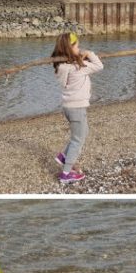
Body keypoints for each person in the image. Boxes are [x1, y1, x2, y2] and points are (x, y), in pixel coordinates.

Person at [52, 33, 104, 184]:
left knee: (83, 132)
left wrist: (79, 58)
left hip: (69, 107)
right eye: (77, 46)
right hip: (77, 108)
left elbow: (75, 65)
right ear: (69, 48)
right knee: (77, 140)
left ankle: (63, 157)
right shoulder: (78, 67)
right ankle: (66, 173)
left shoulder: (61, 66)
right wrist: (89, 54)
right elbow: (99, 66)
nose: (80, 48)